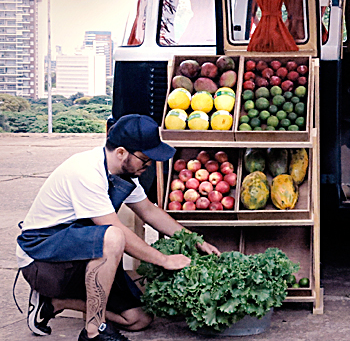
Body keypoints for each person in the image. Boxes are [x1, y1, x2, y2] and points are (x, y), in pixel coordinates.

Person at [16, 114, 220, 341]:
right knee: (113, 236)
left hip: (81, 255)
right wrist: (164, 259)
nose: (150, 165)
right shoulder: (86, 171)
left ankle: (53, 303)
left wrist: (196, 240)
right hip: (44, 260)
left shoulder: (125, 175)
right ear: (122, 152)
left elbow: (149, 211)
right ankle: (94, 332)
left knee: (138, 319)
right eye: (145, 159)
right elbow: (113, 231)